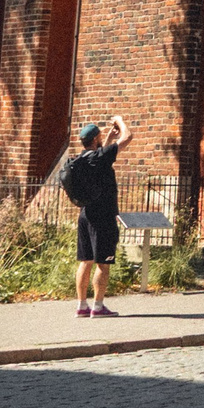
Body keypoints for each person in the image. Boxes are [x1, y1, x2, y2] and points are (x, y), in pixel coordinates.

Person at [65, 114, 131, 317]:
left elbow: (101, 158)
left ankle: (82, 306)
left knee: (85, 261)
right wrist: (119, 121)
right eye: (100, 137)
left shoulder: (81, 160)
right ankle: (99, 307)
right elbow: (128, 137)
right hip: (103, 216)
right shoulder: (100, 158)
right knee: (103, 262)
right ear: (95, 140)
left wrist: (109, 137)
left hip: (85, 215)